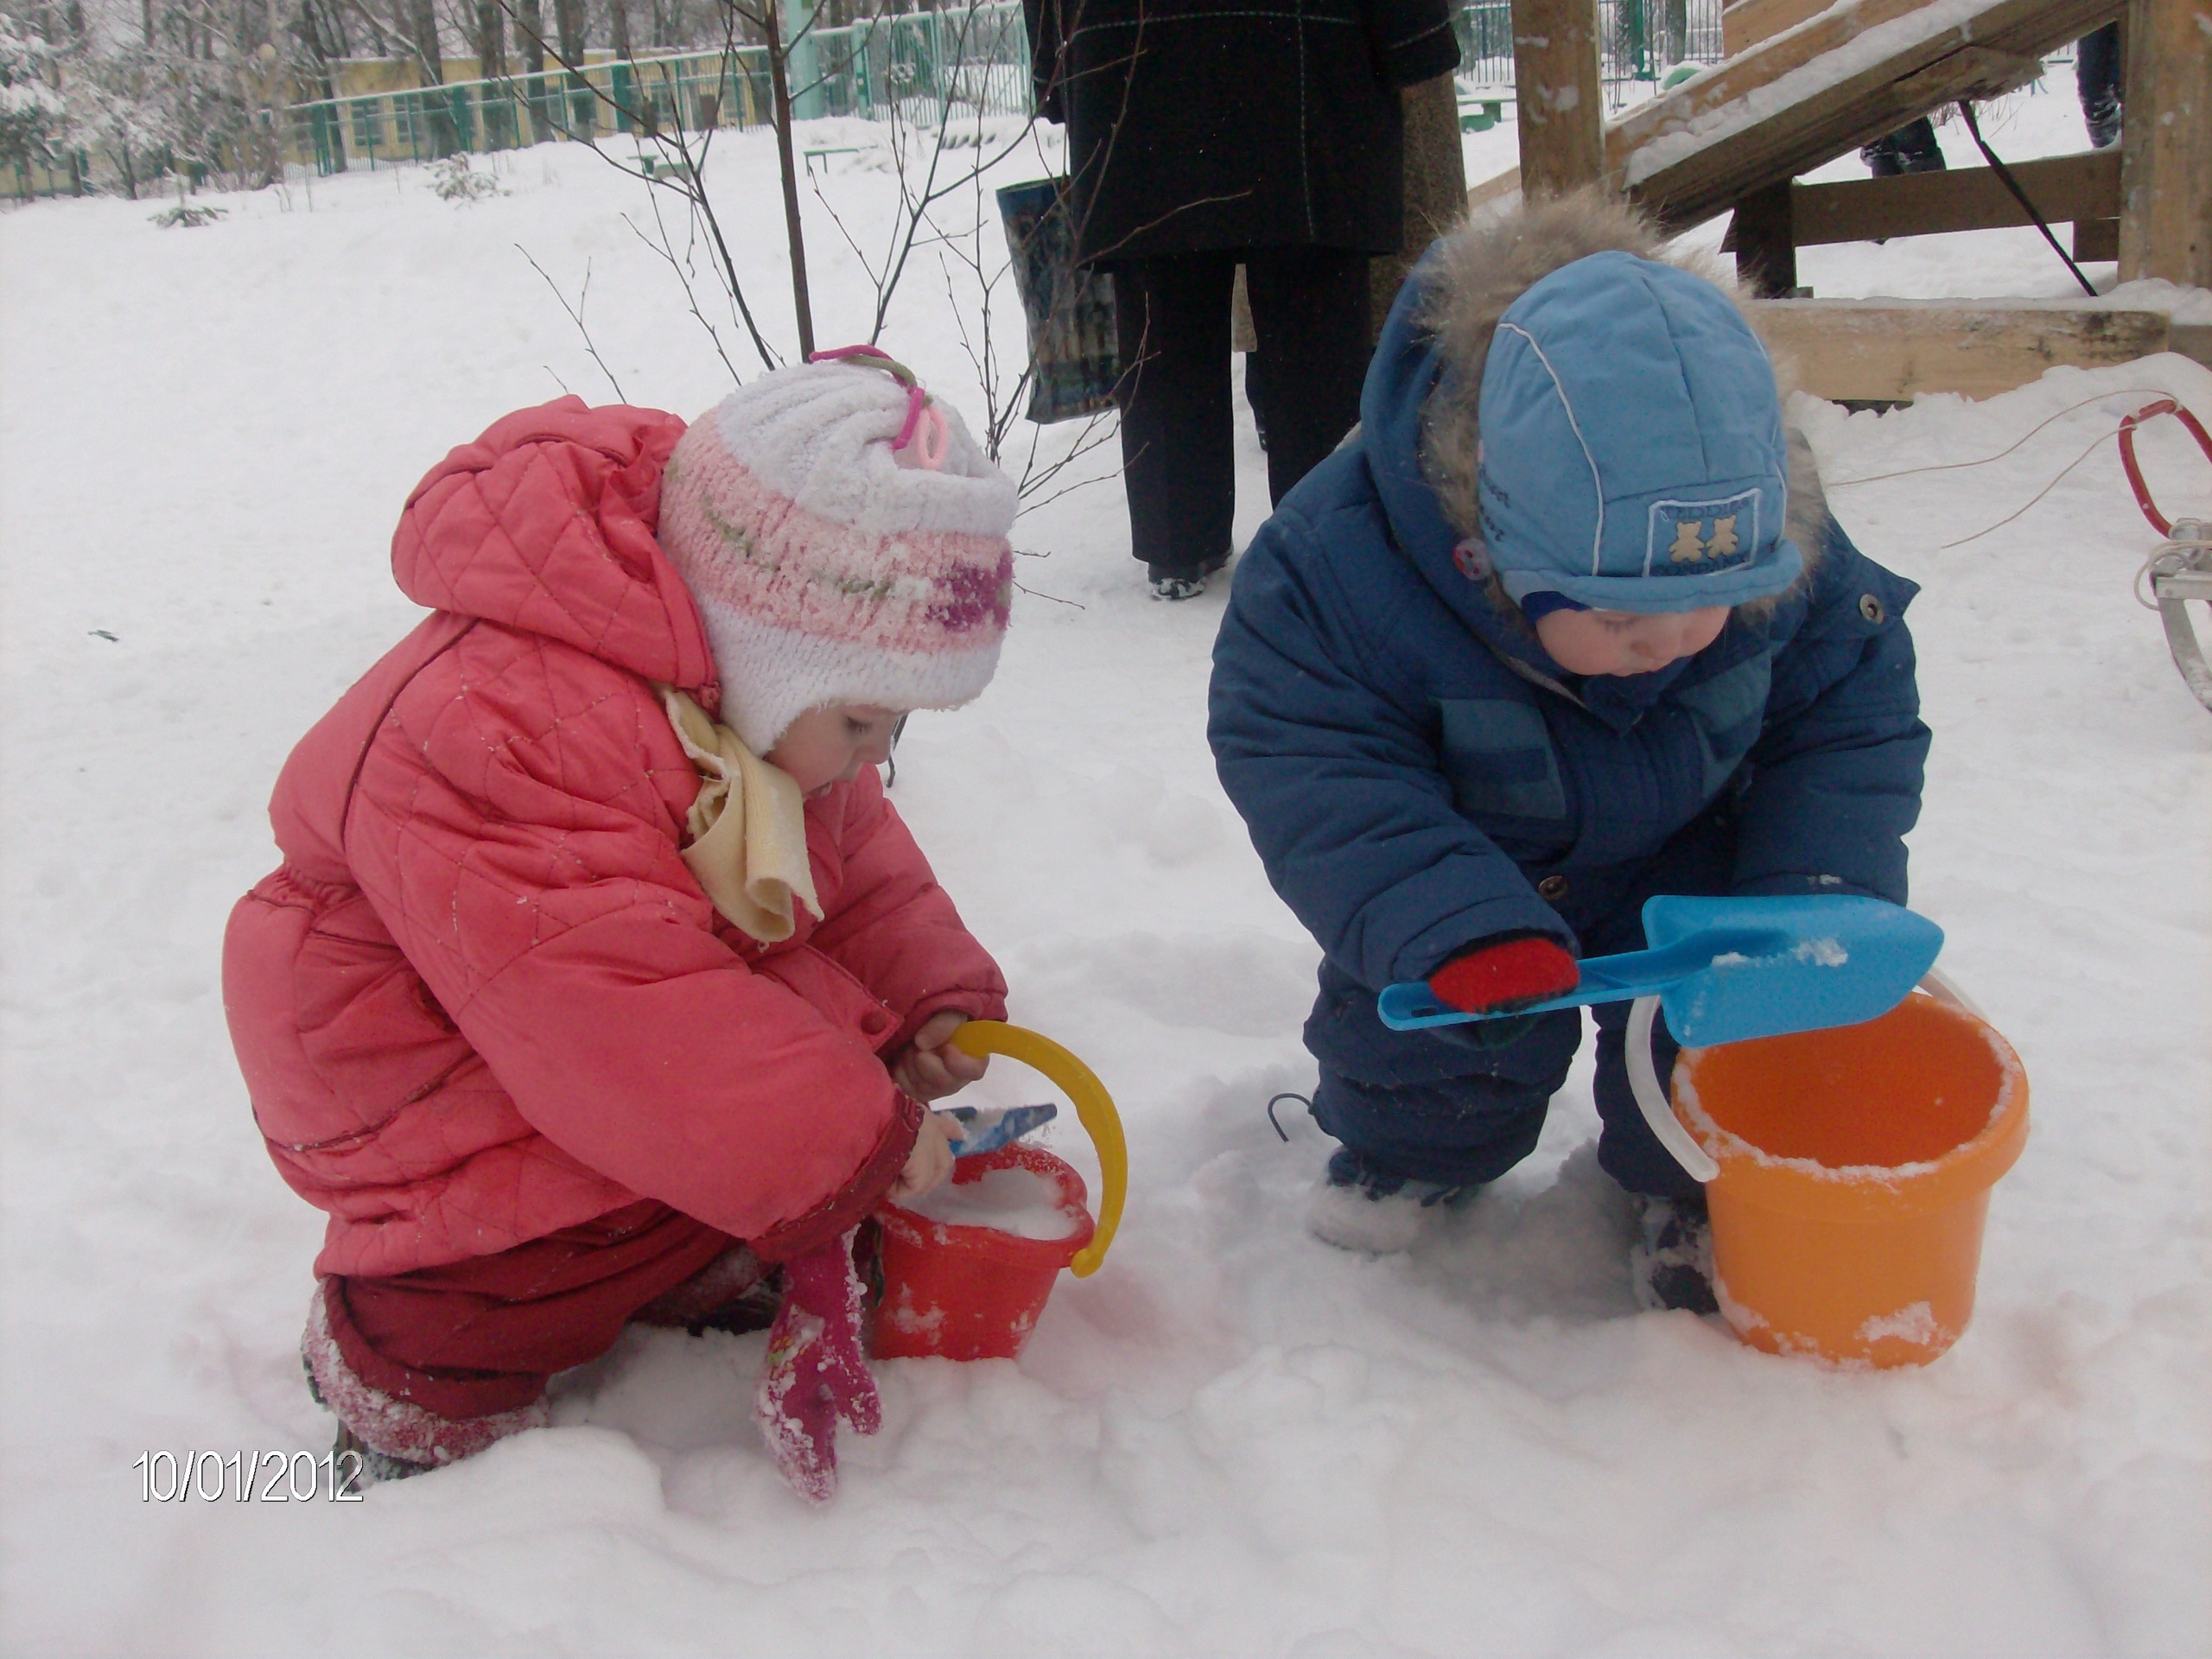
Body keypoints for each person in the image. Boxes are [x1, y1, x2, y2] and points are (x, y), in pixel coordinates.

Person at [223, 353, 1018, 1496]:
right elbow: (621, 1026)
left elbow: (854, 867)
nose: (875, 756)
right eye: (860, 721)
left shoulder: (752, 709)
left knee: (730, 1155)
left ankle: (678, 1245)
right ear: (761, 647)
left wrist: (925, 996)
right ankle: (401, 1363)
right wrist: (856, 1139)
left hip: (574, 1044)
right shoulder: (501, 728)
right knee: (542, 1242)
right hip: (418, 1075)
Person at [1208, 194, 1929, 1310]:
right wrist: (1442, 918)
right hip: (1467, 863)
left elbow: (1847, 715)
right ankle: (1412, 1153)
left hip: (1688, 850)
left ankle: (1699, 1184)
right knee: (1445, 1057)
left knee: (1720, 1036)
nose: (1668, 644)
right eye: (1622, 618)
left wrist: (1814, 885)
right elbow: (1312, 758)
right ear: (1494, 552)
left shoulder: (1767, 539)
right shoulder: (1340, 568)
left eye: (1710, 609)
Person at [1026, 0, 1460, 599]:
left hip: (1130, 51)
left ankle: (1178, 544)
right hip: (1304, 55)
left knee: (1162, 317)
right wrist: (1415, 37)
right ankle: (1322, 533)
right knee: (1314, 321)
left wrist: (1055, 65)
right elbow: (1417, 48)